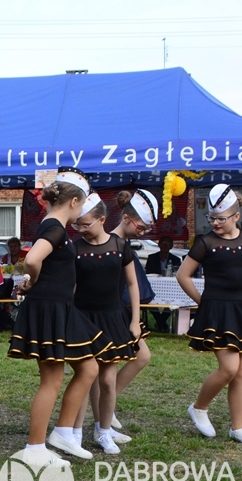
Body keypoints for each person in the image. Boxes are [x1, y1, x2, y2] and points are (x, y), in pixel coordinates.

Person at [8, 167, 109, 466]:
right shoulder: (54, 227)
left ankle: (63, 432)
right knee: (51, 380)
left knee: (88, 368)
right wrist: (34, 279)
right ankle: (35, 448)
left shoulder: (53, 225)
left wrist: (33, 280)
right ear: (74, 201)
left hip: (60, 307)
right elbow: (32, 258)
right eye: (83, 204)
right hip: (49, 308)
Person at [178, 184, 242, 448]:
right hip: (216, 311)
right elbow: (183, 275)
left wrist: (236, 294)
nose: (215, 223)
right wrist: (205, 302)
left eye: (221, 218)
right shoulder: (206, 243)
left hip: (241, 309)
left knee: (241, 373)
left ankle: (238, 428)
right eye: (212, 218)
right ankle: (199, 407)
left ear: (236, 216)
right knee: (229, 368)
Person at [70, 194, 140, 455]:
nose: (81, 229)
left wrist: (135, 320)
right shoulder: (75, 249)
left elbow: (132, 284)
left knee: (108, 381)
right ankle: (74, 433)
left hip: (112, 319)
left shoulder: (120, 246)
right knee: (84, 377)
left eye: (86, 224)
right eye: (77, 225)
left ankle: (104, 430)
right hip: (83, 319)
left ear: (101, 220)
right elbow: (71, 287)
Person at [108, 189, 161, 425]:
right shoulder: (111, 243)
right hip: (106, 312)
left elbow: (134, 286)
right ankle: (104, 412)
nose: (143, 232)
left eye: (147, 229)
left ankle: (107, 406)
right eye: (141, 227)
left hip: (121, 312)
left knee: (141, 356)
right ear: (126, 218)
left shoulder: (125, 244)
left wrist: (135, 320)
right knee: (106, 368)